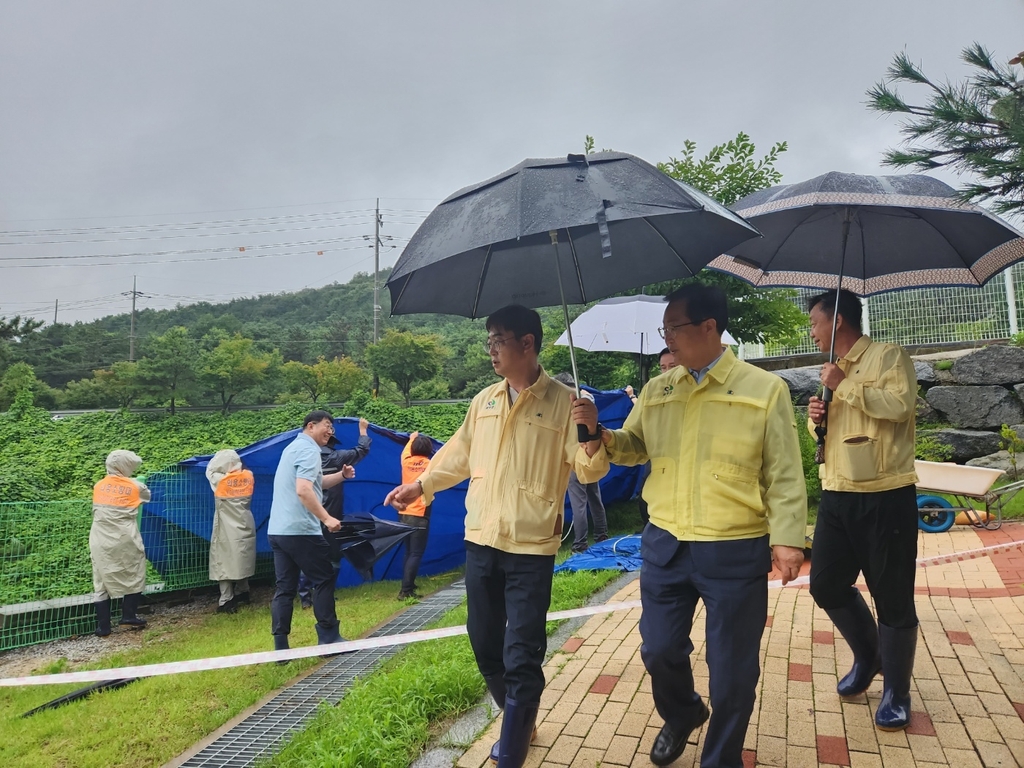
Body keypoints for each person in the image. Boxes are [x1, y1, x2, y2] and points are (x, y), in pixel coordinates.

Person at [384, 304, 607, 768]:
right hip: (481, 539)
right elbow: (458, 453)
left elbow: (590, 468)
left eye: (499, 340)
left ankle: (512, 749)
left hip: (531, 546)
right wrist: (420, 485)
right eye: (489, 341)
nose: (491, 350)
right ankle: (518, 717)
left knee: (522, 648)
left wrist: (591, 431)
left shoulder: (567, 402)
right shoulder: (483, 401)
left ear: (527, 344)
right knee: (484, 640)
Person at [601, 284, 806, 768]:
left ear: (709, 327)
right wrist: (600, 434)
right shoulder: (659, 389)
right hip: (666, 544)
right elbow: (634, 446)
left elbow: (783, 472)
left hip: (733, 547)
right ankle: (684, 712)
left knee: (732, 673)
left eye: (674, 328)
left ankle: (721, 759)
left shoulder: (763, 389)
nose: (666, 338)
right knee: (659, 650)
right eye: (664, 329)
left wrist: (788, 539)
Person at [806, 289, 919, 732]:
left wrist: (843, 386)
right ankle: (871, 655)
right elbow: (833, 425)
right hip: (837, 492)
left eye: (815, 323)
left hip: (885, 494)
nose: (811, 333)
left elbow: (900, 407)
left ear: (836, 322)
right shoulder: (831, 370)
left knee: (891, 593)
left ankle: (897, 691)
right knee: (826, 584)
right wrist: (817, 414)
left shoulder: (889, 357)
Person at [268, 410, 353, 653]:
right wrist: (327, 518)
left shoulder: (293, 448)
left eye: (332, 428)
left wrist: (342, 475)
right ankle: (329, 637)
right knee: (325, 578)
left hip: (278, 531)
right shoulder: (309, 450)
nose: (330, 431)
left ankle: (281, 647)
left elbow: (317, 482)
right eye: (327, 426)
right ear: (310, 426)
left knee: (285, 588)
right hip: (301, 530)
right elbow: (304, 490)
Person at [298, 417, 371, 608]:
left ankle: (306, 597)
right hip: (330, 514)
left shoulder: (305, 456)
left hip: (309, 514)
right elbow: (361, 450)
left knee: (310, 555)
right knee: (332, 555)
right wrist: (363, 430)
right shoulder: (335, 457)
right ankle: (324, 593)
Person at [90, 450, 151, 637]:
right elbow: (146, 497)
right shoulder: (136, 486)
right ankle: (128, 616)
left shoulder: (99, 486)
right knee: (135, 572)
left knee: (100, 581)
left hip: (100, 539)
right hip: (125, 538)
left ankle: (104, 627)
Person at [552, 373, 609, 554]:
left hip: (574, 459)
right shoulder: (586, 400)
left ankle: (580, 544)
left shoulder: (561, 406)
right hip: (590, 454)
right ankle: (601, 536)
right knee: (595, 499)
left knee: (579, 503)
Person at [205, 449, 257, 614]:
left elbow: (210, 470)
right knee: (242, 557)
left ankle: (226, 600)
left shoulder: (220, 480)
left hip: (226, 528)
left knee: (224, 561)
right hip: (245, 522)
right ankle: (244, 591)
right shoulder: (248, 476)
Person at [635, 348, 678, 530]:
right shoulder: (653, 391)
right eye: (663, 367)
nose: (667, 371)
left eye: (672, 366)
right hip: (657, 459)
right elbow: (633, 434)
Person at [396, 430, 434, 599]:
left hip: (403, 512)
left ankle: (408, 584)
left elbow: (406, 449)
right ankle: (406, 591)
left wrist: (412, 438)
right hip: (420, 513)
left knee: (408, 551)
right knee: (416, 553)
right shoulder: (430, 465)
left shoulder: (406, 461)